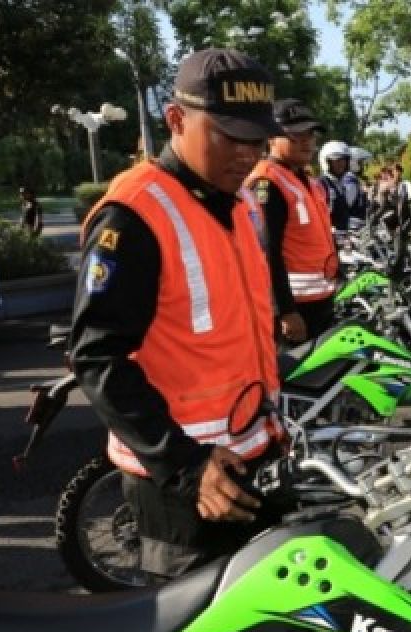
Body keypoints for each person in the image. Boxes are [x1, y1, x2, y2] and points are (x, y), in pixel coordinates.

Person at [69, 48, 285, 579]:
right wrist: (188, 468)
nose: (246, 155)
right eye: (228, 135)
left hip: (254, 456)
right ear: (175, 120)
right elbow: (97, 358)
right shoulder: (135, 214)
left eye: (256, 140)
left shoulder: (238, 203)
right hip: (182, 487)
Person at [247, 99, 339, 344]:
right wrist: (285, 310)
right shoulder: (268, 182)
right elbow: (267, 252)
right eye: (296, 135)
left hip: (320, 300)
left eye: (311, 134)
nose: (307, 141)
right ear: (272, 137)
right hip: (295, 307)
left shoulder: (306, 180)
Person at [317, 140, 352, 231]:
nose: (341, 164)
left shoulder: (339, 184)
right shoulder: (321, 184)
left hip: (343, 239)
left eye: (343, 160)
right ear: (327, 162)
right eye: (336, 160)